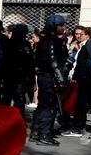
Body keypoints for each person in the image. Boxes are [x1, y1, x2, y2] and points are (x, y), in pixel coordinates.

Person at [29, 14, 68, 146]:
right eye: (61, 25)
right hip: (49, 78)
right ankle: (44, 135)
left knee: (42, 106)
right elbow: (54, 63)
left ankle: (35, 133)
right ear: (54, 26)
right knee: (50, 107)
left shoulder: (43, 41)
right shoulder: (53, 42)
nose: (64, 27)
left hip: (43, 77)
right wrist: (61, 80)